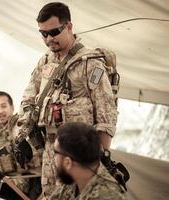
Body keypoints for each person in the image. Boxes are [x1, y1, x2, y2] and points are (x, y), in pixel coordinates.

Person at [15, 2, 118, 197]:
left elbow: (106, 114)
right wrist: (26, 125)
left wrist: (99, 158)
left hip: (80, 156)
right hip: (50, 150)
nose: (48, 40)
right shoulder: (45, 61)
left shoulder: (90, 63)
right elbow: (28, 98)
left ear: (69, 26)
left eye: (53, 32)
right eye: (43, 34)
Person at [49, 122, 126, 199]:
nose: (53, 158)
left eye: (55, 152)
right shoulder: (74, 180)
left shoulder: (107, 196)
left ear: (68, 162)